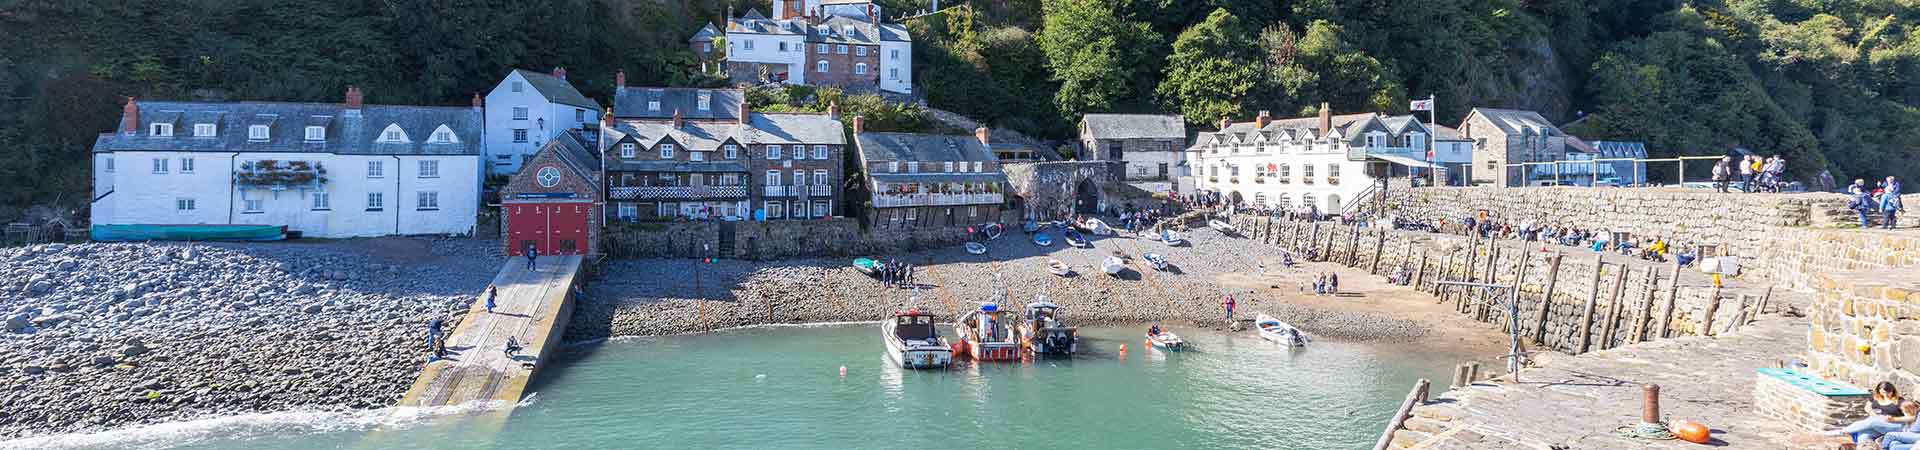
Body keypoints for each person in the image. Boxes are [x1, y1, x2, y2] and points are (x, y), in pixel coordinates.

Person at [1824, 381, 1911, 444]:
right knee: (1863, 435)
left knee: (1872, 421)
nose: (1885, 395)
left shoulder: (1900, 401)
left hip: (1895, 426)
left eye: (1887, 393)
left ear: (1892, 391)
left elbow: (1910, 417)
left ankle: (1842, 432)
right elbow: (1867, 407)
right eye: (1882, 393)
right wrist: (1872, 413)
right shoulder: (1876, 397)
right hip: (1876, 424)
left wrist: (1894, 418)